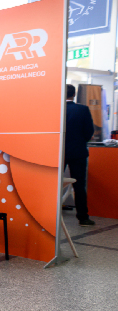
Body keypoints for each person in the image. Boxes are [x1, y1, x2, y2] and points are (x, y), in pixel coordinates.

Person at [64, 84, 95, 226]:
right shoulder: (82, 109)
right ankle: (83, 218)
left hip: (58, 152)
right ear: (74, 94)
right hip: (78, 152)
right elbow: (89, 131)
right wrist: (81, 141)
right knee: (79, 185)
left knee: (53, 183)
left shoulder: (56, 109)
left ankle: (49, 214)